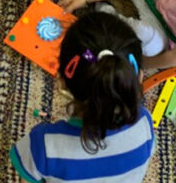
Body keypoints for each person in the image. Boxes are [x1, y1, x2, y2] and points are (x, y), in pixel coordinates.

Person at [9, 11, 155, 182]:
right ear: (139, 77)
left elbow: (27, 172)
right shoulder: (144, 122)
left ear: (61, 80)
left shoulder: (43, 146)